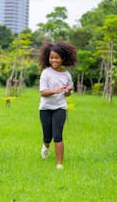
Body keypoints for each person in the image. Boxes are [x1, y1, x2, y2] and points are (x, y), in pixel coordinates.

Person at [38, 41, 77, 169]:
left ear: (62, 59)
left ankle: (59, 164)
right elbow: (43, 93)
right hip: (45, 108)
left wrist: (68, 91)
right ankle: (46, 145)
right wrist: (56, 91)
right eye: (51, 58)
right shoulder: (46, 73)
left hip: (60, 108)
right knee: (47, 136)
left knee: (58, 136)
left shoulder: (67, 75)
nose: (53, 60)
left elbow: (67, 94)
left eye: (56, 58)